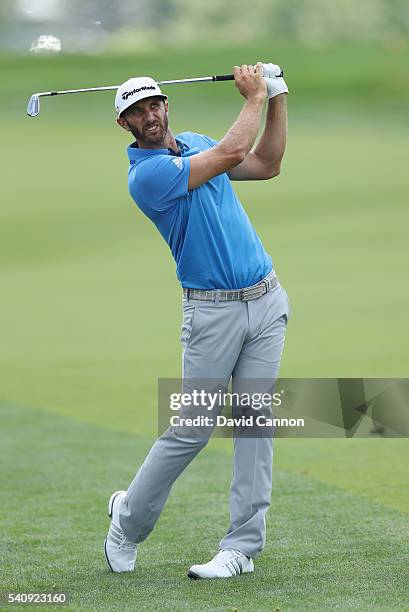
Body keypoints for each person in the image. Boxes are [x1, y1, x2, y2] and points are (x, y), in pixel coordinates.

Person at [104, 62, 290, 579]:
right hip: (213, 312)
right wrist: (252, 96)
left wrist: (277, 94)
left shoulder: (193, 143)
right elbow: (231, 153)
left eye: (154, 104)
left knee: (255, 423)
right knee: (191, 429)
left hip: (267, 299)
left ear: (166, 104)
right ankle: (127, 522)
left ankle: (241, 548)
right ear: (125, 125)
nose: (149, 116)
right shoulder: (148, 176)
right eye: (136, 112)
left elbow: (267, 164)